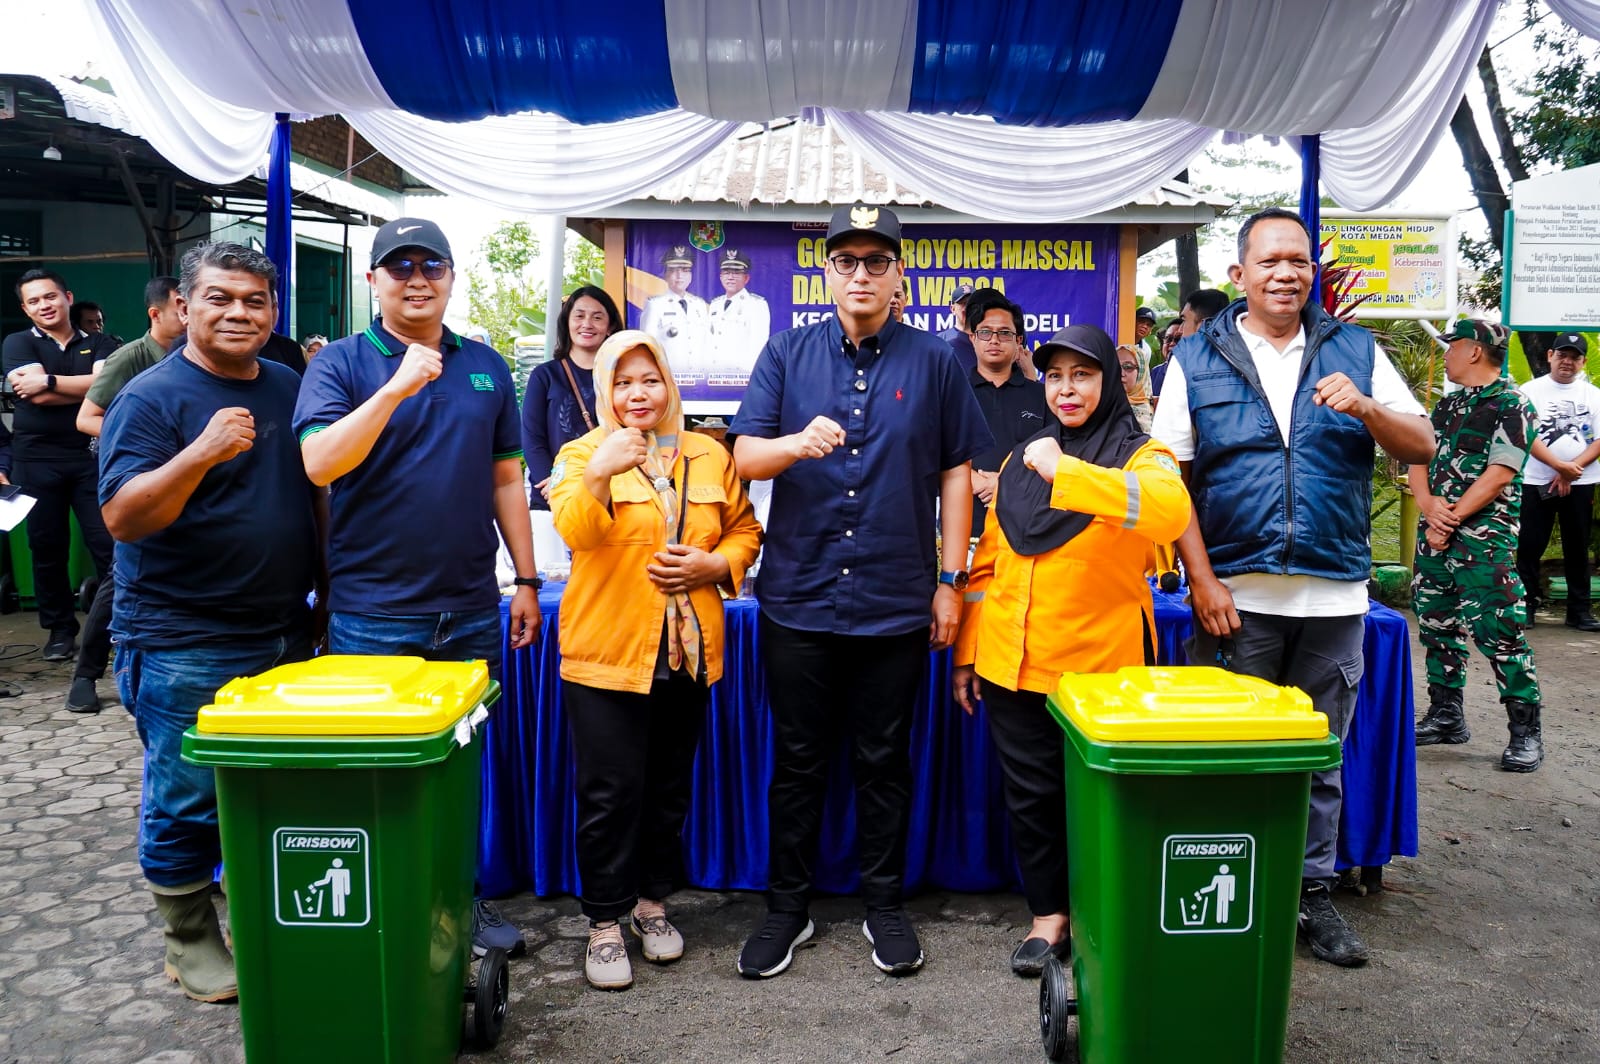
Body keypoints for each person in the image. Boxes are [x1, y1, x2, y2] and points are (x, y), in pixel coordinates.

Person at [1150, 207, 1435, 968]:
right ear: (1238, 274)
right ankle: (1228, 895)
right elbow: (1169, 478)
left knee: (1319, 756)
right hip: (1236, 597)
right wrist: (1202, 580)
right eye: (1270, 260)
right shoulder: (1196, 357)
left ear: (1313, 273)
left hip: (1333, 597)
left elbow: (1424, 443)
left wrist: (1369, 406)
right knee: (1236, 756)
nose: (1287, 273)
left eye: (1300, 261)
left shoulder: (1355, 348)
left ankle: (1313, 900)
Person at [730, 203, 991, 979]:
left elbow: (955, 473)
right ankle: (786, 909)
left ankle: (885, 905)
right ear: (828, 272)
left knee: (884, 760)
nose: (861, 275)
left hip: (895, 598)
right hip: (799, 596)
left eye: (877, 262)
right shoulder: (786, 353)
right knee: (800, 759)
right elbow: (743, 456)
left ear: (898, 275)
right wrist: (792, 444)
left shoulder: (937, 362)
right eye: (847, 261)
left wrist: (950, 582)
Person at [293, 217, 539, 957]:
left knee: (463, 768)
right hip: (373, 612)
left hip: (467, 607)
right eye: (398, 267)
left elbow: (506, 479)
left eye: (431, 264)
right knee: (378, 772)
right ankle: (388, 907)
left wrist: (524, 579)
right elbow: (321, 465)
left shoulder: (488, 365)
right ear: (373, 282)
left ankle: (461, 901)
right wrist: (396, 388)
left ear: (451, 277)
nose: (416, 278)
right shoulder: (339, 363)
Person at [98, 242, 319, 1003]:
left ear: (273, 312)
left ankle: (258, 913)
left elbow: (312, 499)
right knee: (186, 796)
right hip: (183, 638)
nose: (239, 312)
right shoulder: (151, 398)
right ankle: (187, 939)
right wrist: (200, 451)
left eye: (255, 300)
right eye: (221, 298)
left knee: (270, 791)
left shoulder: (290, 385)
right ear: (183, 307)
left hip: (284, 629)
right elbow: (125, 517)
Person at [951, 323, 1189, 976]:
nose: (1066, 389)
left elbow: (1169, 514)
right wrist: (970, 651)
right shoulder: (1020, 457)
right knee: (1031, 799)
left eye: (1082, 375)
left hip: (1097, 671)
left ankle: (1103, 913)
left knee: (1099, 801)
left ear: (1108, 381)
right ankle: (1049, 915)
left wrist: (1071, 473)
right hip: (1010, 662)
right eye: (1054, 376)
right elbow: (990, 562)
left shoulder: (1143, 456)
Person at [549, 330, 761, 990]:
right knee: (611, 795)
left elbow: (744, 529)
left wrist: (715, 563)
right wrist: (600, 471)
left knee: (668, 790)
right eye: (622, 382)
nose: (637, 393)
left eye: (649, 380)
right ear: (604, 390)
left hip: (688, 654)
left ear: (668, 384)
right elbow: (574, 532)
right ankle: (605, 922)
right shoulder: (580, 453)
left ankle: (651, 907)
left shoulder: (708, 452)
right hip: (608, 653)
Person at [1411, 319, 1545, 772]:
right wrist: (1429, 507)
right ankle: (1447, 715)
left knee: (1499, 632)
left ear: (1473, 351)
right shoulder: (1446, 406)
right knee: (1437, 626)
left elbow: (1500, 473)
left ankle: (1525, 732)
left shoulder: (1513, 404)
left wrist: (1447, 519)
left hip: (1483, 542)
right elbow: (1418, 459)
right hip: (1436, 538)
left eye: (1452, 346)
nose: (1445, 353)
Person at [65, 275, 183, 714]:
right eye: (179, 306)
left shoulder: (198, 356)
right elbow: (87, 418)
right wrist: (144, 441)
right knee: (120, 578)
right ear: (157, 314)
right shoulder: (129, 358)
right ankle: (85, 674)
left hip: (189, 486)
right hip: (138, 486)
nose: (189, 314)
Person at [2, 268, 117, 662]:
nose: (43, 306)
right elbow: (31, 396)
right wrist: (79, 385)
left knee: (107, 544)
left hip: (91, 456)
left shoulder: (101, 341)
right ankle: (60, 631)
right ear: (25, 308)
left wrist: (48, 382)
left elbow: (105, 388)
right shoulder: (17, 342)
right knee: (46, 547)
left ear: (67, 297)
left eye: (49, 297)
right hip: (35, 460)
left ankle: (113, 629)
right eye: (33, 301)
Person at [1516, 332, 1600, 631]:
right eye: (1562, 355)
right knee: (1529, 544)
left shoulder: (1594, 395)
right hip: (1535, 479)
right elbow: (1526, 435)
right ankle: (1525, 605)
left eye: (1574, 357)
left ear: (1583, 362)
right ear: (1550, 355)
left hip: (1581, 481)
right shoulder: (1530, 391)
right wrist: (1557, 466)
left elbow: (1599, 439)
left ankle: (1580, 611)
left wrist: (1570, 469)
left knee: (1577, 547)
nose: (1568, 362)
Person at [522, 285, 621, 508]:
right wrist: (556, 485)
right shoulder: (544, 376)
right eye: (579, 316)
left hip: (610, 495)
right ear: (567, 322)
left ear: (610, 326)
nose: (587, 324)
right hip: (553, 496)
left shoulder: (622, 376)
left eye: (597, 317)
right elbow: (532, 439)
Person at [964, 290, 1047, 537]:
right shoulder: (952, 392)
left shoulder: (1042, 397)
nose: (994, 340)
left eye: (1004, 333)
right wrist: (974, 480)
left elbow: (1057, 459)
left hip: (1026, 529)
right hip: (965, 528)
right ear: (973, 338)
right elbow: (932, 452)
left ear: (1018, 340)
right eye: (985, 332)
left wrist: (1004, 485)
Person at [639, 246, 709, 381]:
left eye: (685, 270)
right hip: (669, 379)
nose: (679, 276)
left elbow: (706, 345)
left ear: (691, 275)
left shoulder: (699, 305)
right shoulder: (655, 305)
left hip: (700, 380)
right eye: (673, 270)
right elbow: (648, 346)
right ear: (665, 274)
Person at [707, 248, 770, 377]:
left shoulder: (756, 305)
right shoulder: (715, 305)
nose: (730, 277)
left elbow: (759, 347)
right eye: (726, 272)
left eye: (736, 272)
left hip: (741, 378)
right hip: (713, 377)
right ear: (720, 277)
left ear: (746, 278)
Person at [1118, 344, 1154, 431]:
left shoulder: (1156, 414)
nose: (1121, 373)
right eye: (1116, 366)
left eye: (1128, 367)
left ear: (1141, 372)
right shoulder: (1100, 405)